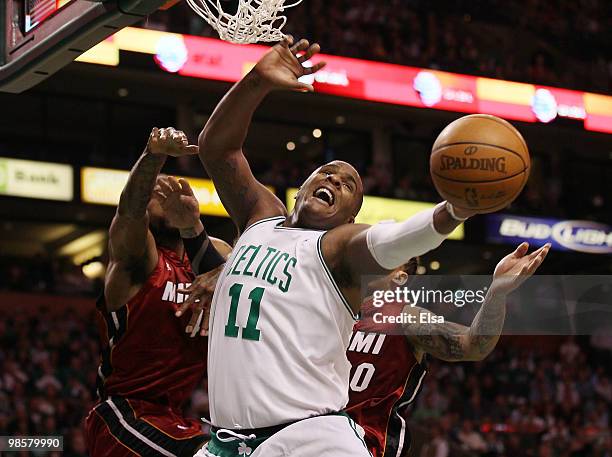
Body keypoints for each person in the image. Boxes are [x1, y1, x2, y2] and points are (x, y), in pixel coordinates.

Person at [189, 35, 506, 457]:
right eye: (327, 173)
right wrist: (256, 82)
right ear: (301, 188)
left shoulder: (338, 249)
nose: (334, 180)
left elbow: (394, 239)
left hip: (311, 442)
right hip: (230, 443)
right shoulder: (260, 217)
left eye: (348, 185)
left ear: (350, 218)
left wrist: (453, 212)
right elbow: (217, 148)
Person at [180, 242, 549, 457]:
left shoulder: (403, 316)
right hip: (283, 437)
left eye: (388, 254)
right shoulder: (314, 300)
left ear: (400, 275)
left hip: (358, 446)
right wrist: (219, 271)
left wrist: (496, 294)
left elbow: (472, 345)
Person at [85, 127, 229, 457]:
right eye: (154, 193)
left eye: (170, 191)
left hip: (175, 417)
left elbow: (252, 273)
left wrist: (198, 234)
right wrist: (154, 157)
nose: (161, 197)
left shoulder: (211, 252)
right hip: (122, 414)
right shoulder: (138, 260)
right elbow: (129, 211)